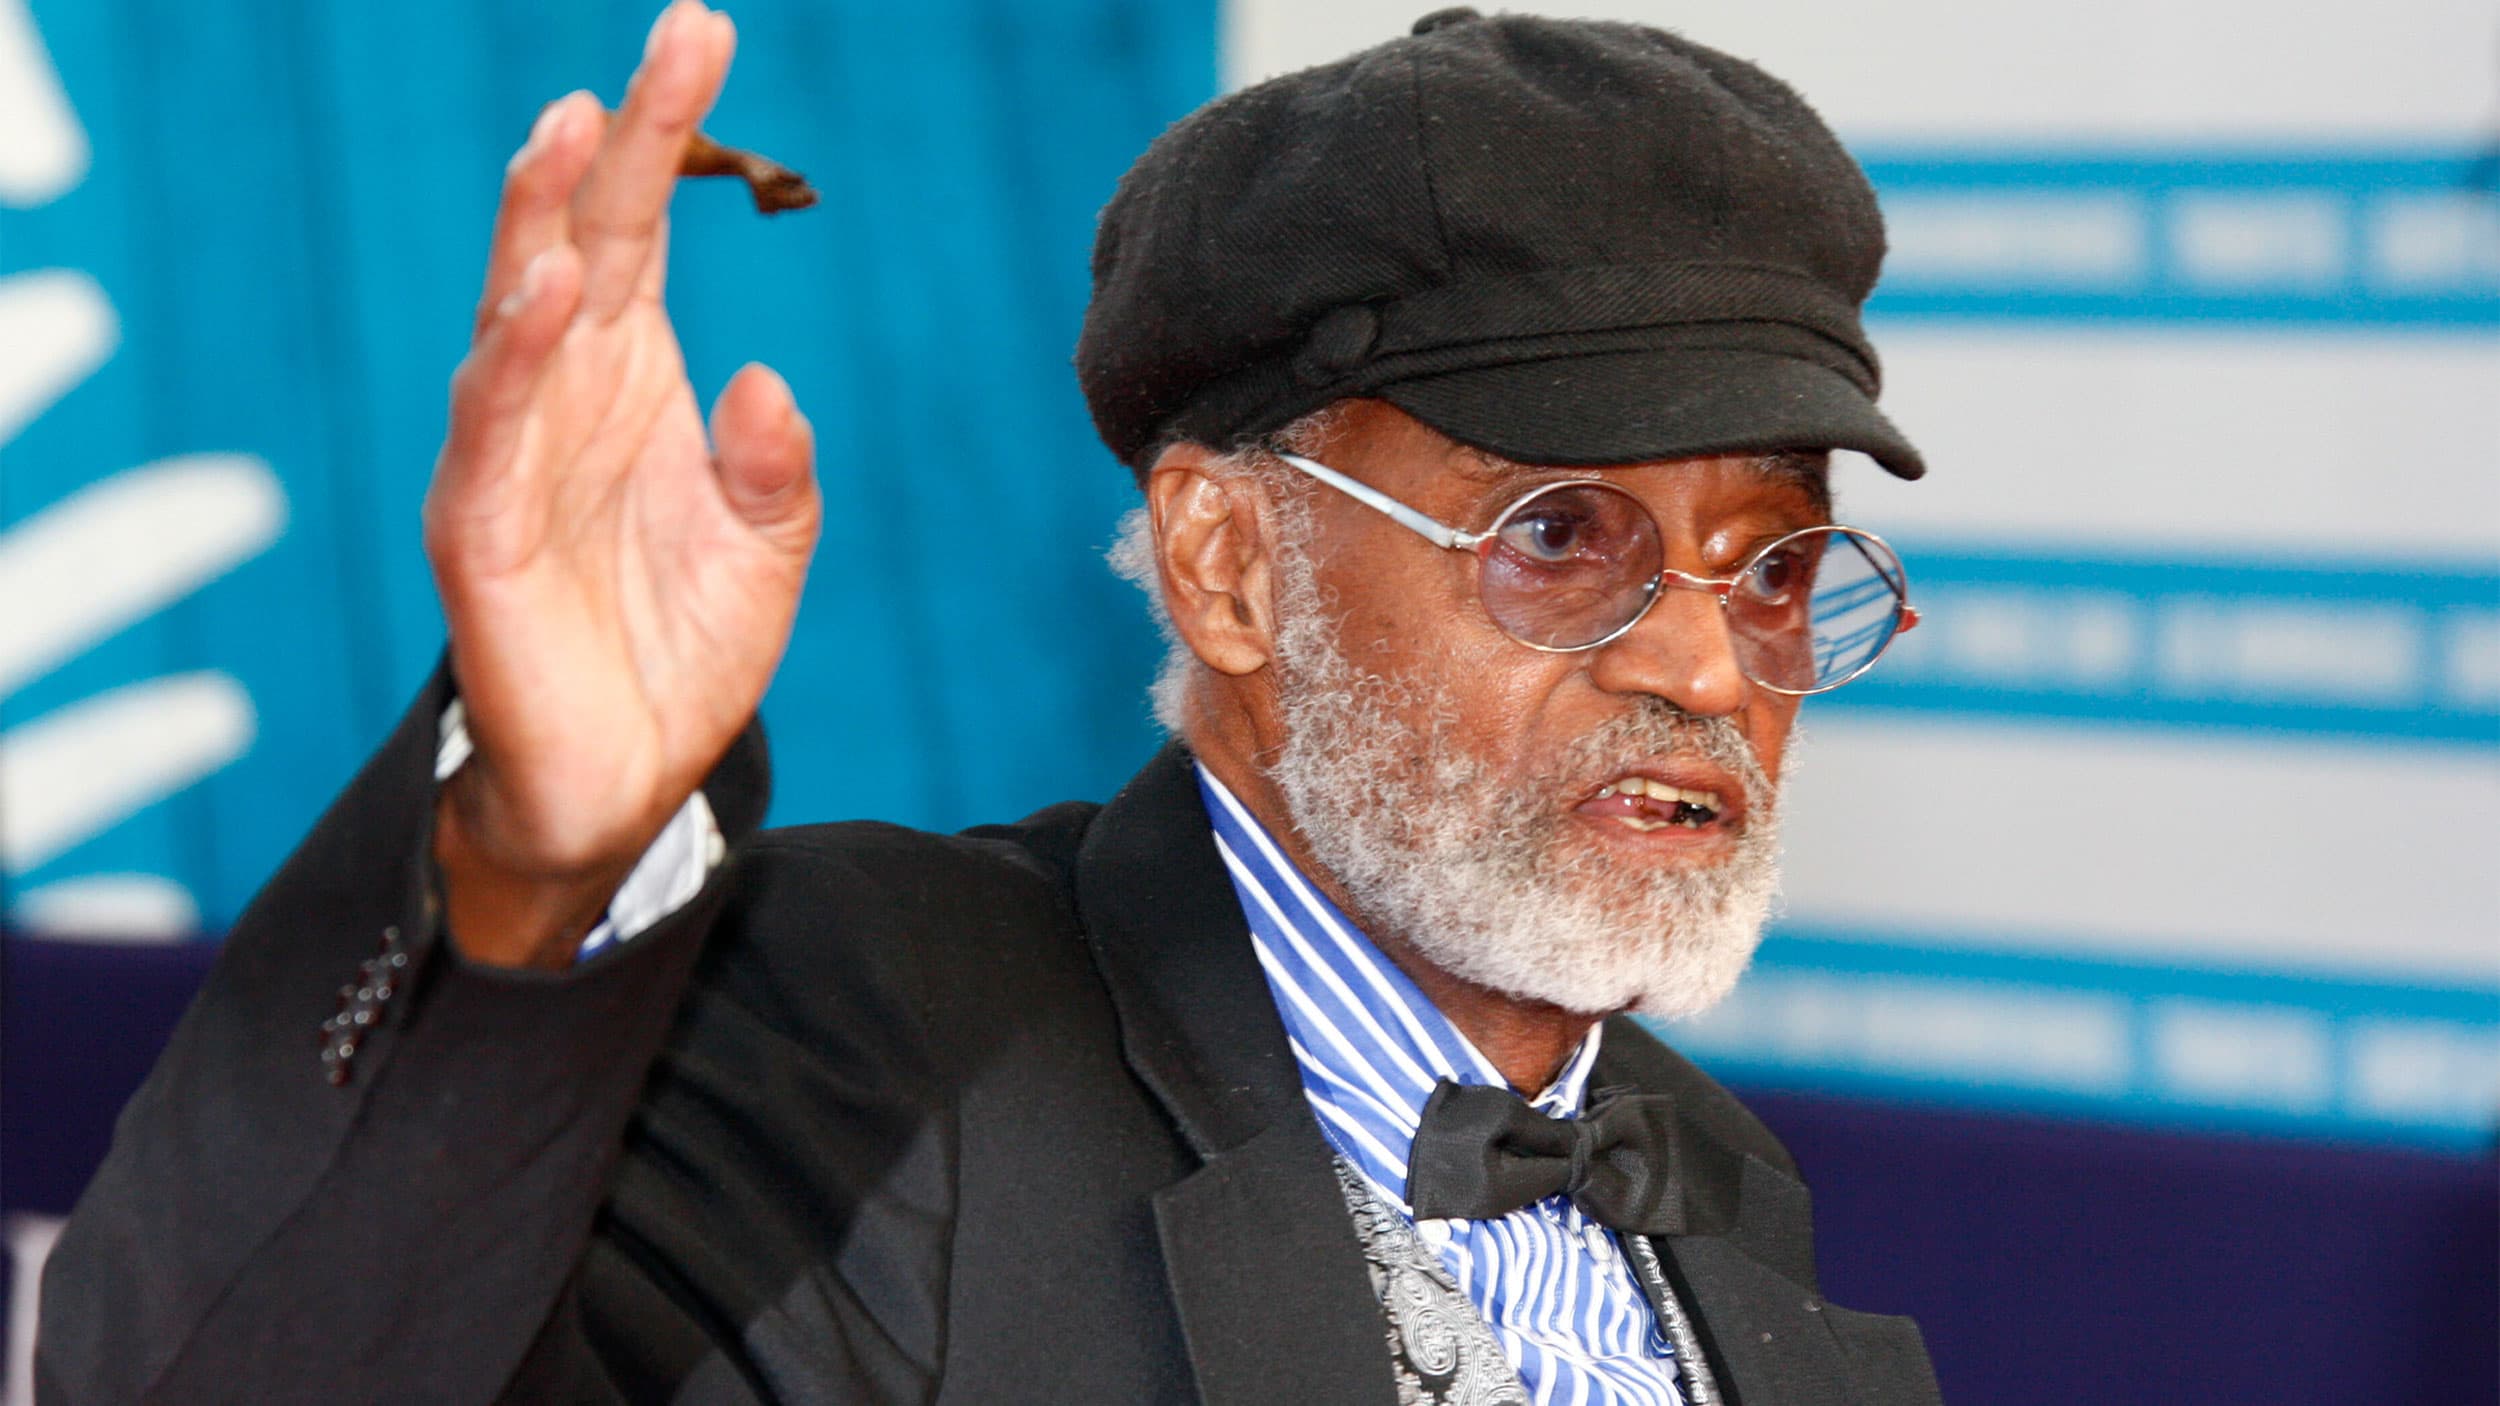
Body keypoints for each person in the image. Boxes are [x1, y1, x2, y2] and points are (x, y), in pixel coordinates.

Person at [38, 3, 1945, 1402]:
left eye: (1775, 566)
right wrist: (546, 859)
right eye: (1563, 535)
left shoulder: (1719, 1190)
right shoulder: (871, 1025)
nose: (1707, 664)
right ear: (1230, 565)